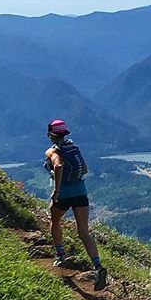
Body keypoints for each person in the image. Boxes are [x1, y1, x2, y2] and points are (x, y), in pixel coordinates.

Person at [45, 119, 107, 290]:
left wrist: (56, 189)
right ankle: (98, 266)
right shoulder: (74, 148)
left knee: (55, 221)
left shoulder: (52, 151)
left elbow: (58, 166)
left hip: (64, 194)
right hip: (81, 191)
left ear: (50, 135)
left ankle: (60, 255)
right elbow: (85, 169)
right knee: (84, 232)